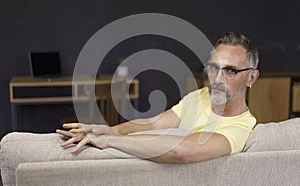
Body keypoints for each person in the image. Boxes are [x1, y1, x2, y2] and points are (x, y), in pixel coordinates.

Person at [56, 32, 260, 163]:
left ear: (251, 77)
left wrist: (110, 140)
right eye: (213, 67)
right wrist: (113, 129)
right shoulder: (200, 97)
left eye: (230, 71)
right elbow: (155, 124)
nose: (217, 78)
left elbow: (181, 151)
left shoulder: (240, 127)